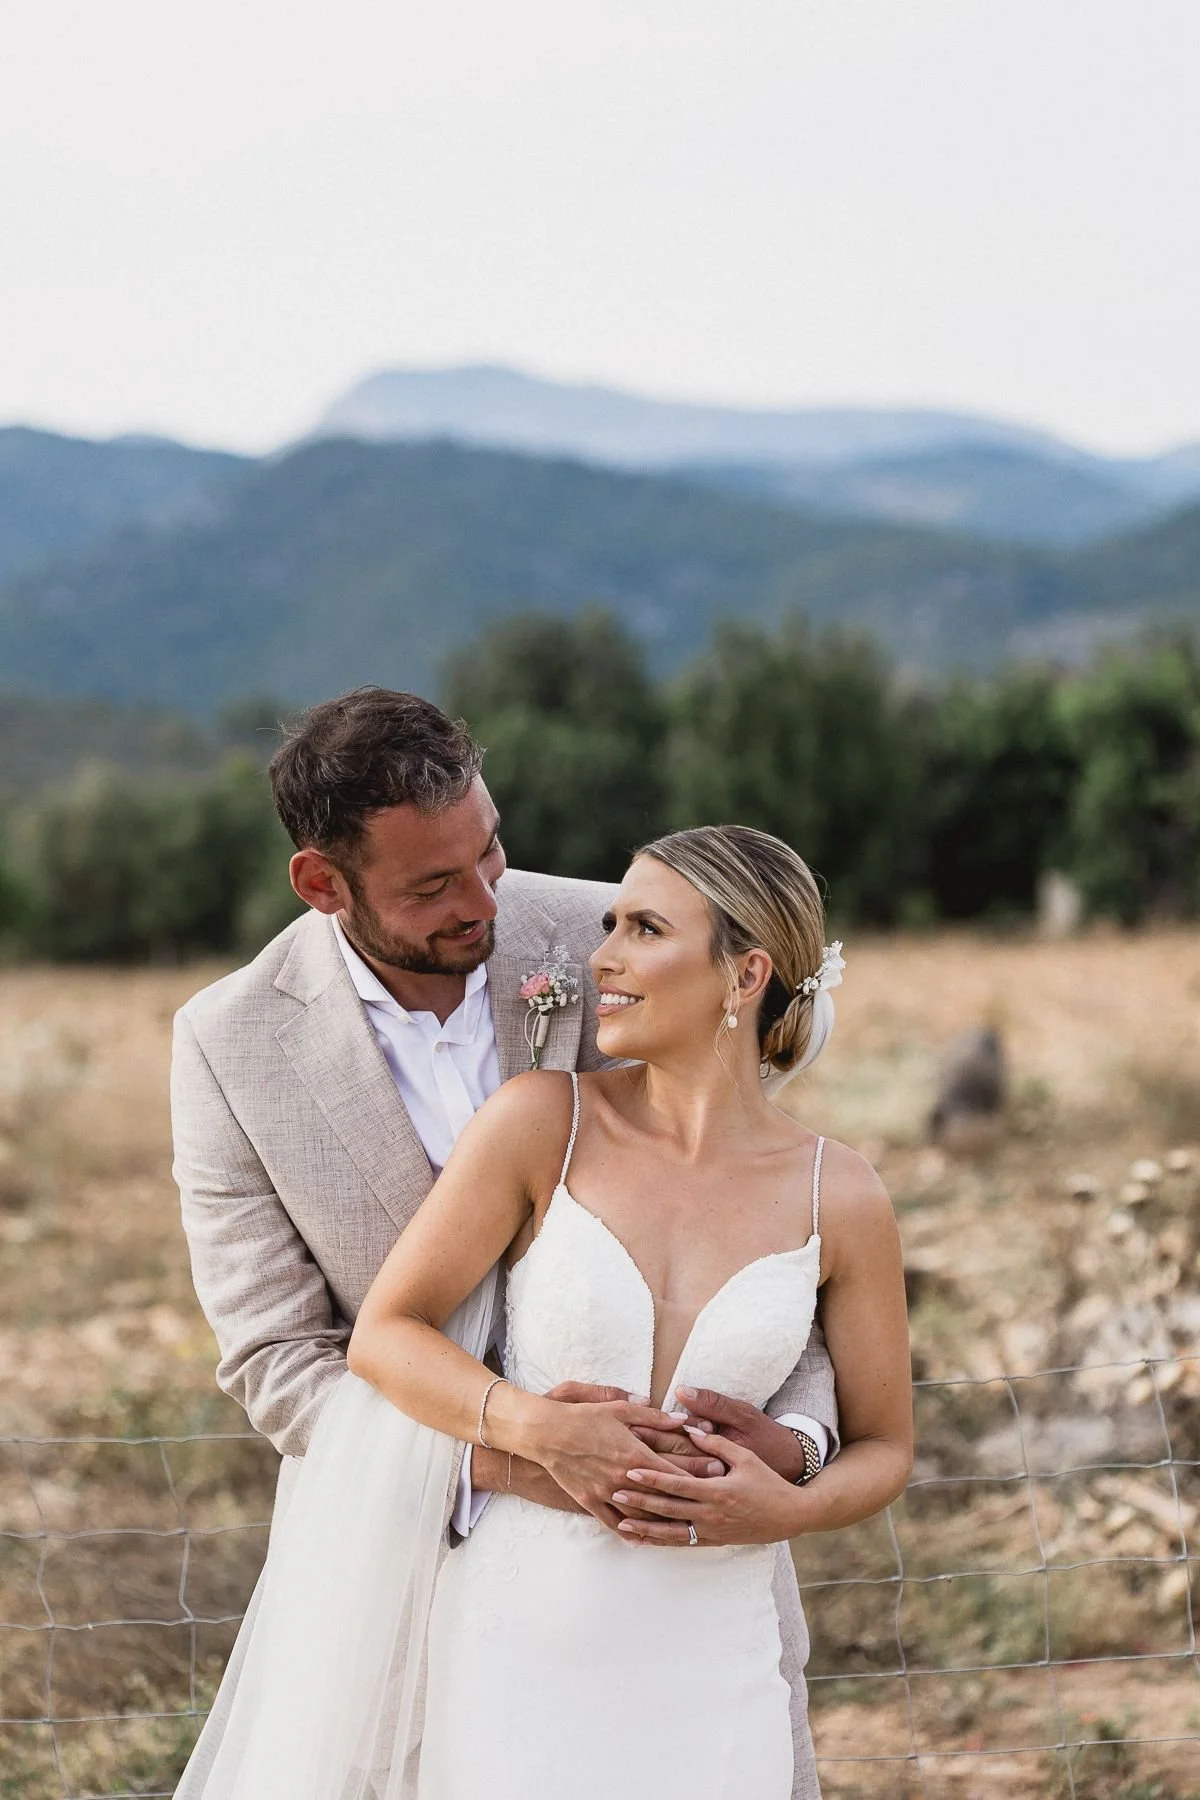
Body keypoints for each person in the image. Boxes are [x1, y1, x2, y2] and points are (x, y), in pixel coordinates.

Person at [172, 690, 842, 1797]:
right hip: (397, 1567)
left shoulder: (622, 936)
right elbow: (276, 1359)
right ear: (322, 883)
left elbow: (763, 1234)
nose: (483, 899)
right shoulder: (228, 1043)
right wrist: (515, 1454)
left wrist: (800, 1441)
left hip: (671, 1566)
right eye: (432, 887)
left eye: (490, 852)